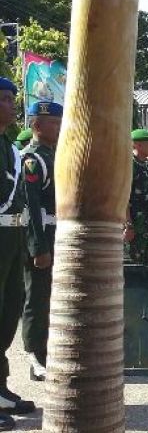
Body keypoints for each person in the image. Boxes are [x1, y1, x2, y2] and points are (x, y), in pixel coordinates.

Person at [0, 78, 35, 428]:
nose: (13, 105)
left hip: (11, 234)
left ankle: (0, 387)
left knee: (8, 312)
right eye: (6, 99)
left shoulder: (8, 144)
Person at [20, 101, 62, 383]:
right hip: (42, 233)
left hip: (57, 232)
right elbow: (32, 206)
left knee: (51, 296)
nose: (59, 128)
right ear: (36, 125)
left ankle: (49, 350)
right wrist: (39, 247)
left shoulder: (54, 155)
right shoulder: (32, 159)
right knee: (36, 296)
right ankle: (35, 355)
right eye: (54, 123)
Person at [124, 129, 148, 265]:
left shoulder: (147, 165)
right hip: (135, 223)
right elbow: (124, 197)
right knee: (133, 264)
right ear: (137, 145)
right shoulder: (129, 164)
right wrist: (128, 225)